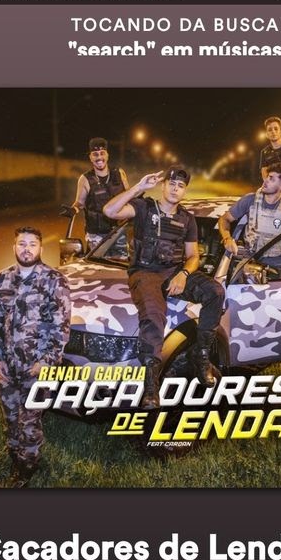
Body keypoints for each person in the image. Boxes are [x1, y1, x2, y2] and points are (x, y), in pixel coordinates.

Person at [103, 165, 225, 409]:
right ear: (163, 185)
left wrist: (183, 274)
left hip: (173, 272)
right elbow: (109, 211)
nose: (175, 188)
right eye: (171, 183)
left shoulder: (187, 219)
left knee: (215, 292)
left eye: (180, 185)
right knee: (153, 314)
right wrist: (138, 187)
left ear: (184, 190)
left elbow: (193, 256)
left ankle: (200, 355)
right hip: (145, 272)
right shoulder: (143, 207)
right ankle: (151, 385)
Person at [0, 227, 71, 487]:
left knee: (29, 421)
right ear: (14, 247)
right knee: (11, 417)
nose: (27, 249)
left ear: (40, 248)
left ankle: (26, 469)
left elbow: (61, 326)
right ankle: (14, 455)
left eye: (32, 244)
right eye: (22, 243)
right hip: (8, 367)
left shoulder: (54, 280)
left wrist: (46, 361)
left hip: (37, 367)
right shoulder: (2, 279)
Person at [60, 137, 130, 250]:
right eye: (95, 154)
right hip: (95, 236)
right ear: (90, 157)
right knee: (95, 262)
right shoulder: (85, 179)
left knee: (119, 261)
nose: (99, 157)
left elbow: (128, 196)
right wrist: (74, 210)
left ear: (107, 155)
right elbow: (80, 203)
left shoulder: (119, 173)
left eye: (102, 153)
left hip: (119, 231)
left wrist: (139, 204)